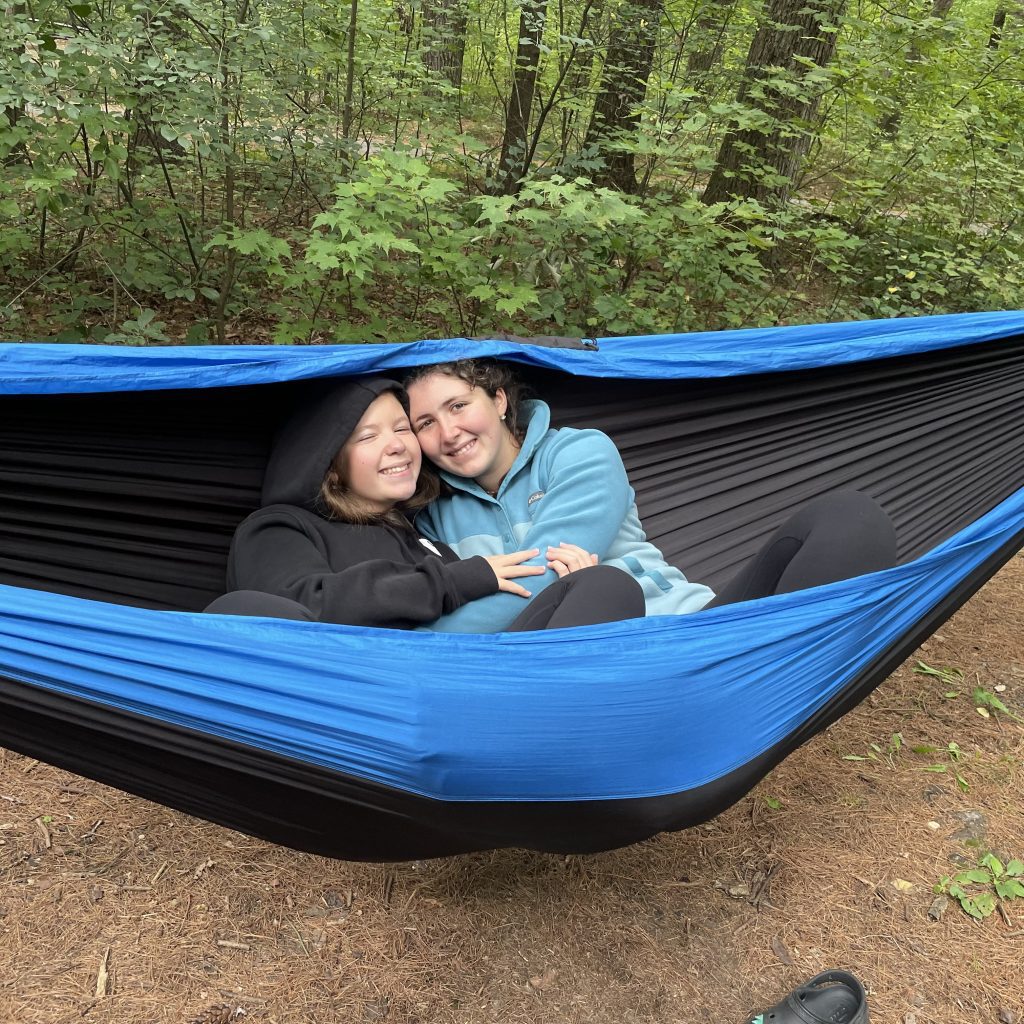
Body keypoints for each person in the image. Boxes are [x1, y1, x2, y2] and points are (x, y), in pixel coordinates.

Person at [403, 359, 898, 632]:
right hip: (572, 660)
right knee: (594, 593)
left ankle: (775, 669)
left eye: (459, 405)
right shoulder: (434, 517)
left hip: (686, 631)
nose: (448, 432)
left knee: (850, 518)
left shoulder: (578, 453)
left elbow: (538, 577)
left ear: (498, 400)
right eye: (426, 423)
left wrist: (427, 646)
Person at [207, 376, 644, 631]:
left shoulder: (423, 535)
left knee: (604, 585)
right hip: (355, 694)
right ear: (331, 463)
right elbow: (299, 608)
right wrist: (456, 581)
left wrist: (568, 596)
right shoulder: (281, 526)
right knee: (242, 612)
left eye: (402, 429)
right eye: (369, 436)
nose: (397, 446)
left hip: (473, 684)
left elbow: (492, 623)